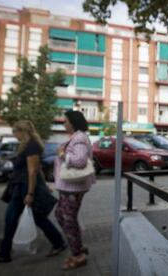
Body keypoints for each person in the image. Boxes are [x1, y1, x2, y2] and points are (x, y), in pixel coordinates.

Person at [0, 120, 66, 265]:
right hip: (20, 187)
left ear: (22, 131)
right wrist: (45, 185)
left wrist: (30, 193)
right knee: (32, 218)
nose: (14, 135)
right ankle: (58, 242)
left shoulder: (31, 146)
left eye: (15, 132)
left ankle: (4, 254)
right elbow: (39, 169)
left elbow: (32, 170)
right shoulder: (28, 145)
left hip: (24, 188)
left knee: (15, 219)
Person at [54, 110, 95, 270]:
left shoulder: (79, 138)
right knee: (61, 216)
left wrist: (63, 155)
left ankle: (78, 255)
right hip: (69, 186)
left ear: (73, 122)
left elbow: (80, 161)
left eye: (66, 121)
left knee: (68, 219)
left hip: (73, 187)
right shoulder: (76, 137)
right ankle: (77, 245)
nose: (64, 123)